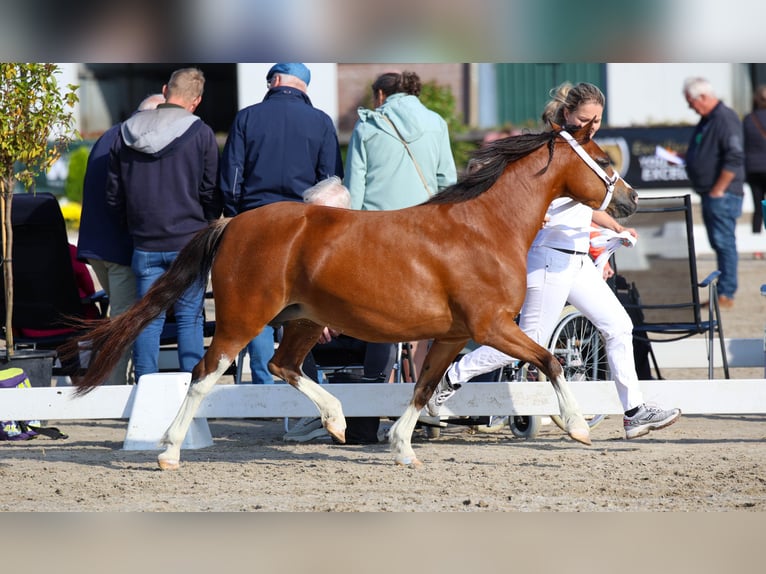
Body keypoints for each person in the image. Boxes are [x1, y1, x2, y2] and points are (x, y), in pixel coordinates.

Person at [426, 82, 682, 441]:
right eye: (585, 118)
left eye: (597, 120)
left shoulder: (582, 151)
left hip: (577, 261)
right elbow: (522, 200)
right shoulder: (546, 152)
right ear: (566, 114)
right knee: (530, 341)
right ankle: (451, 378)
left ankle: (634, 413)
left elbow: (585, 206)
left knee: (619, 326)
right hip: (548, 260)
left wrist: (614, 226)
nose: (592, 125)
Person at [219, 62, 343, 386]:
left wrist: (235, 214)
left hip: (255, 222)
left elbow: (231, 177)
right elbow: (331, 180)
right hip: (305, 225)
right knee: (302, 304)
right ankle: (300, 375)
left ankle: (264, 384)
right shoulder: (321, 121)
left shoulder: (247, 117)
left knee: (255, 304)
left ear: (274, 80)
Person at [105, 67, 221, 381]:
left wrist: (131, 225)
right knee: (189, 320)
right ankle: (189, 394)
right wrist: (208, 226)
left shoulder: (126, 131)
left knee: (147, 319)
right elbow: (210, 190)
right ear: (196, 101)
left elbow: (113, 194)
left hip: (144, 243)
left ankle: (146, 388)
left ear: (165, 89)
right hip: (189, 242)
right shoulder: (201, 133)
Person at [345, 69, 457, 383]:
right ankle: (419, 396)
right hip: (425, 233)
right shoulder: (437, 122)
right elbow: (447, 183)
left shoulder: (368, 124)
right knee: (421, 317)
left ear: (381, 95)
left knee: (380, 316)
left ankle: (380, 393)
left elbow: (355, 188)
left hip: (377, 233)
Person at [77, 93, 165, 385]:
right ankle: (112, 387)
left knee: (119, 313)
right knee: (124, 322)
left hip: (95, 244)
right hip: (119, 248)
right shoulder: (135, 141)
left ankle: (115, 380)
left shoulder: (109, 136)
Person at [683, 77, 745, 308]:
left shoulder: (725, 119)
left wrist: (719, 188)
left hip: (722, 193)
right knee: (719, 242)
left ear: (703, 97)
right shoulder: (708, 120)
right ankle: (723, 291)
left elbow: (735, 155)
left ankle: (726, 293)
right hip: (712, 192)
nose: (690, 107)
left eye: (691, 101)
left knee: (724, 242)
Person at [742, 84, 766, 245]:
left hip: (753, 168)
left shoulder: (748, 119)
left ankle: (757, 246)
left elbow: (742, 145)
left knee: (758, 208)